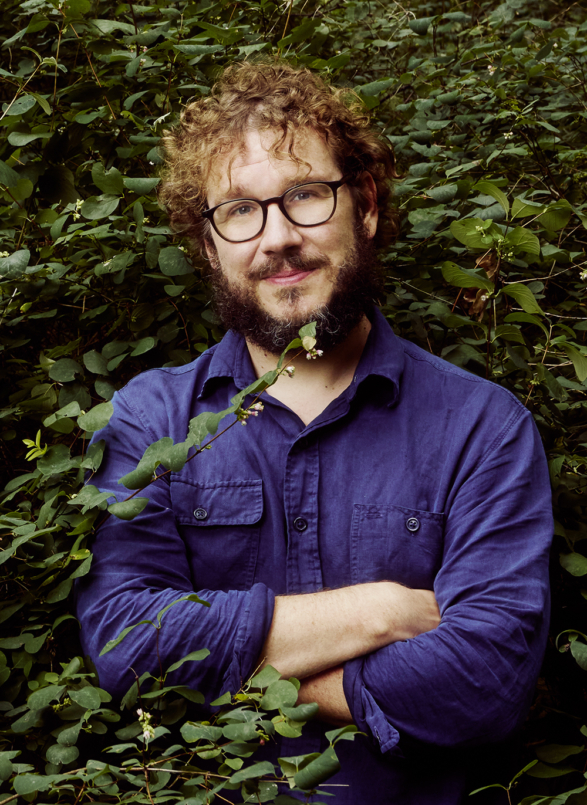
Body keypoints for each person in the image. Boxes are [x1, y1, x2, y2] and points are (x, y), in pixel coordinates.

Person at [75, 62, 553, 804]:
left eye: (304, 194)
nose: (277, 238)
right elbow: (125, 642)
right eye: (239, 209)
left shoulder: (481, 428)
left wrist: (238, 678)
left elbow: (484, 680)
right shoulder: (151, 420)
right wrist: (379, 613)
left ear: (365, 206)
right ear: (208, 243)